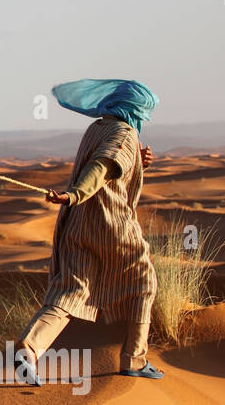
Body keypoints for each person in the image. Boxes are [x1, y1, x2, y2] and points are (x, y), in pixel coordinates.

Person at [16, 78, 164, 384]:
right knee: (144, 282)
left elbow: (114, 167)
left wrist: (139, 162)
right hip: (111, 224)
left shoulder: (98, 128)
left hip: (76, 223)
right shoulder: (125, 133)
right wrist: (75, 194)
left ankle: (30, 348)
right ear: (135, 109)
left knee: (71, 291)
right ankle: (134, 358)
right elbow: (102, 167)